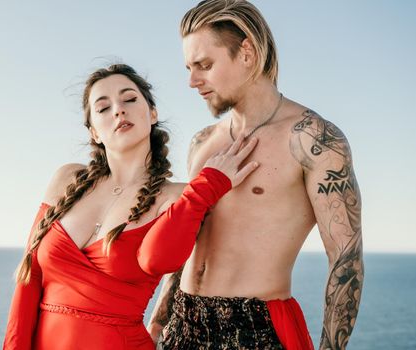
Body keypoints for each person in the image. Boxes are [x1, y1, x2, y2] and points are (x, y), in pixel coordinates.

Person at [148, 1, 364, 349]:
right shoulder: (203, 142)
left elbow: (346, 260)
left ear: (247, 52)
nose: (191, 81)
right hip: (183, 324)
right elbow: (188, 238)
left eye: (204, 65)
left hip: (255, 329)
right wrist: (158, 323)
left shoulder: (314, 140)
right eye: (189, 67)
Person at [2, 63, 260, 349]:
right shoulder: (67, 180)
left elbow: (159, 260)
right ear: (94, 133)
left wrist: (208, 186)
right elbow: (29, 279)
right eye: (103, 108)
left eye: (129, 99)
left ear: (152, 114)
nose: (118, 110)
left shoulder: (178, 196)